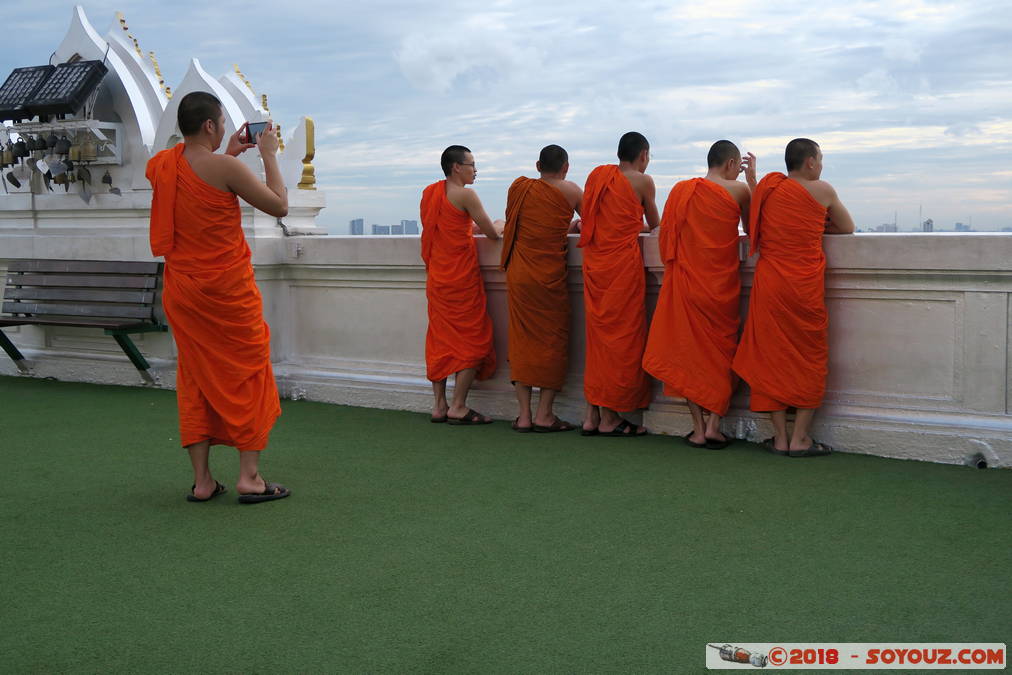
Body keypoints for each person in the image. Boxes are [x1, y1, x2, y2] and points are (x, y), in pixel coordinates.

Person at [146, 91, 290, 503]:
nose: (225, 127)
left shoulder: (161, 165)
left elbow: (197, 183)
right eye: (222, 122)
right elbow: (279, 206)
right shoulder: (226, 168)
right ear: (210, 124)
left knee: (195, 377)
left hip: (183, 292)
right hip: (226, 292)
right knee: (247, 372)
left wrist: (227, 154)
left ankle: (203, 481)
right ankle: (250, 477)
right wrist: (268, 154)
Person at [732, 138, 855, 456]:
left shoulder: (769, 189)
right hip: (803, 287)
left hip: (771, 285)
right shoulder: (823, 191)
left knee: (770, 357)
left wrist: (754, 180)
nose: (821, 165)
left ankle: (780, 438)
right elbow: (847, 227)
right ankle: (800, 438)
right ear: (810, 162)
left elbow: (759, 218)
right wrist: (815, 226)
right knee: (809, 357)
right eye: (820, 159)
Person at [643, 141, 756, 449]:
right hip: (720, 287)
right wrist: (752, 181)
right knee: (721, 353)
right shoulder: (740, 190)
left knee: (688, 356)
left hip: (686, 283)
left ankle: (697, 428)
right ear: (731, 164)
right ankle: (714, 425)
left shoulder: (682, 191)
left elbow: (667, 237)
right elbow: (754, 229)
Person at [578, 132, 661, 436]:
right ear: (643, 155)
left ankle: (592, 415)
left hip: (595, 267)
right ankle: (610, 419)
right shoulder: (643, 181)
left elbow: (594, 220)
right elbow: (656, 224)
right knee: (620, 342)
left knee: (598, 341)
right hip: (622, 270)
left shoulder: (598, 177)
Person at [501, 144, 582, 433]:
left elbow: (514, 225)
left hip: (519, 274)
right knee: (552, 342)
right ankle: (544, 414)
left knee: (521, 341)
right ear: (566, 168)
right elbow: (595, 223)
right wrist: (570, 227)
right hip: (548, 278)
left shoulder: (519, 188)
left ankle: (523, 415)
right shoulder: (572, 191)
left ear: (538, 166)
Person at [420, 145, 504, 425]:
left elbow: (449, 227)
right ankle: (458, 405)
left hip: (438, 279)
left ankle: (439, 405)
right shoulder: (466, 195)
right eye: (472, 165)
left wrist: (472, 227)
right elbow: (492, 234)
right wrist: (500, 223)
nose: (475, 170)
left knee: (440, 339)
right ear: (457, 167)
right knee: (473, 339)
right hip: (461, 280)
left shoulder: (430, 194)